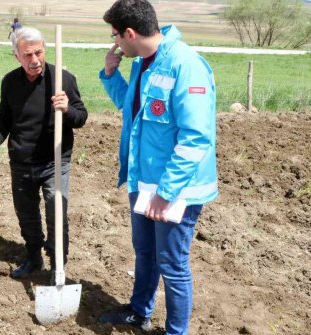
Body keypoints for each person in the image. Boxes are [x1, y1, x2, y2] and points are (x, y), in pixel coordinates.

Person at [97, 0, 218, 334]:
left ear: (130, 33)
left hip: (177, 187)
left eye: (116, 37)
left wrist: (166, 192)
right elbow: (132, 111)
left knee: (172, 263)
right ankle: (139, 311)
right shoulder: (141, 64)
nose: (115, 44)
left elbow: (196, 138)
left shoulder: (185, 65)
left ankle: (175, 331)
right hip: (143, 179)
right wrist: (110, 74)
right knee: (145, 252)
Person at [0, 27, 88, 279]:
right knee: (26, 213)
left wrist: (67, 109)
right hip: (21, 160)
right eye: (28, 55)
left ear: (45, 50)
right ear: (16, 55)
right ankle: (33, 256)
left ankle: (58, 264)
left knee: (55, 208)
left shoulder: (62, 79)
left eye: (39, 52)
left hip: (54, 159)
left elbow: (81, 117)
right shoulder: (10, 82)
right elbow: (4, 122)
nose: (35, 60)